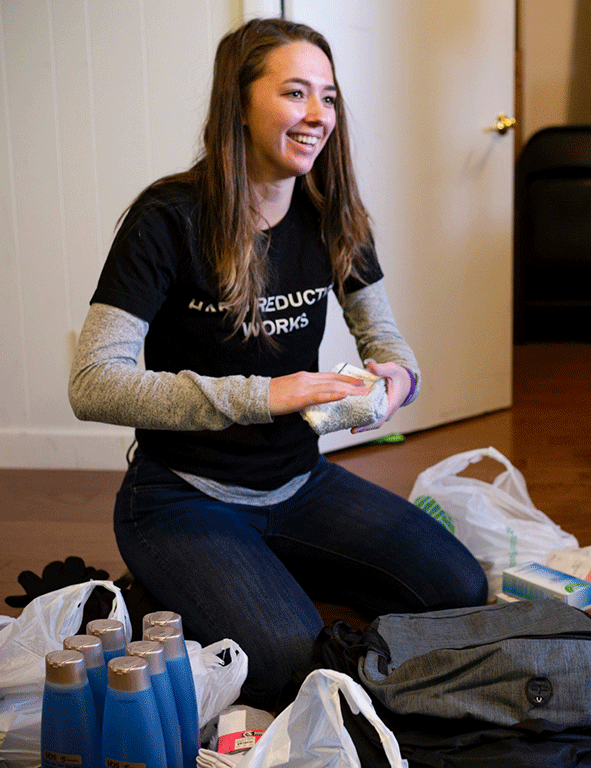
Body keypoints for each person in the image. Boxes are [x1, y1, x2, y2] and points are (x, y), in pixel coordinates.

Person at [69, 17, 487, 710]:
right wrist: (263, 395)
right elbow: (93, 383)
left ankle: (257, 573)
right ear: (239, 104)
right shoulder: (167, 218)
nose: (319, 114)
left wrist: (398, 380)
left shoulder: (331, 214)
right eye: (296, 93)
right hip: (181, 496)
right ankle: (173, 584)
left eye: (329, 96)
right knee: (296, 666)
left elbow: (384, 339)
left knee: (459, 588)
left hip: (301, 483)